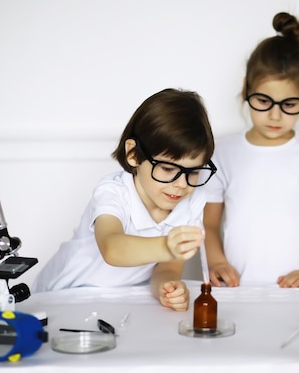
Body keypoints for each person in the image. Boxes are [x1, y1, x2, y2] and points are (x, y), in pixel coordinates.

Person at [33, 88, 217, 311]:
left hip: (121, 300)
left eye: (193, 172)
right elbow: (112, 248)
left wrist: (167, 287)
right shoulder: (114, 191)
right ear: (134, 154)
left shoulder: (192, 201)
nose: (182, 184)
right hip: (64, 297)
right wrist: (167, 245)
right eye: (168, 168)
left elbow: (168, 266)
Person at [201, 12, 299, 288]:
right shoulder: (222, 153)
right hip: (236, 291)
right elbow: (208, 225)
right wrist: (217, 262)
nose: (275, 115)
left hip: (295, 293)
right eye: (264, 101)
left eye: (289, 104)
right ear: (246, 89)